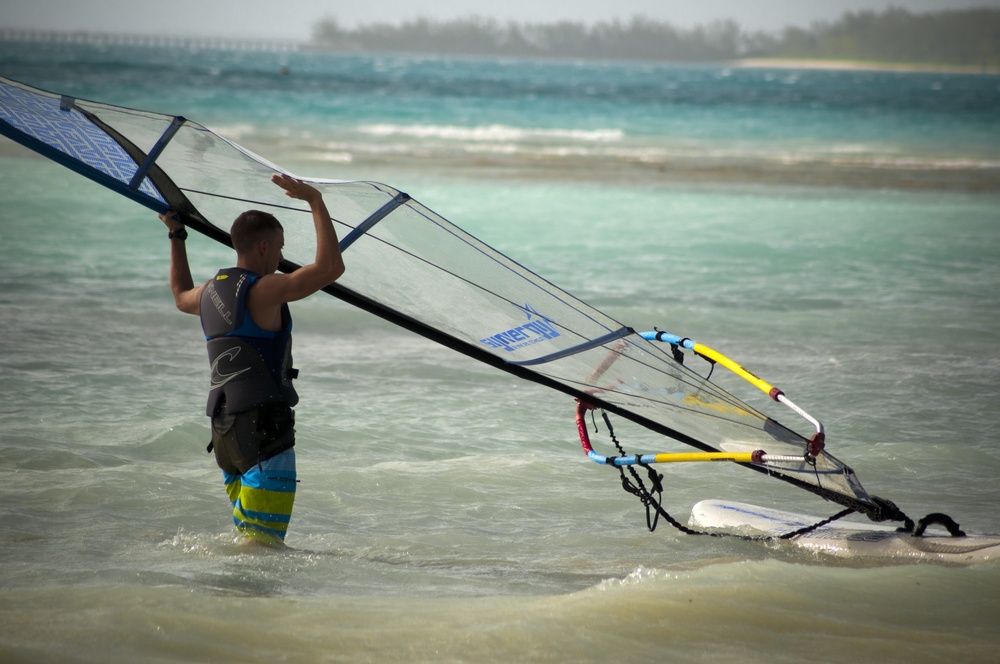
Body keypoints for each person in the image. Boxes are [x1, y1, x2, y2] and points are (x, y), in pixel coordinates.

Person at [159, 173, 345, 544]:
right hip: (263, 431)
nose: (280, 257)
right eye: (279, 247)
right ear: (263, 246)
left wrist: (176, 236)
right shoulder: (266, 288)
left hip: (226, 433)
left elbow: (180, 295)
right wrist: (315, 201)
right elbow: (329, 269)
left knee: (250, 540)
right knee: (262, 550)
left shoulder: (208, 292)